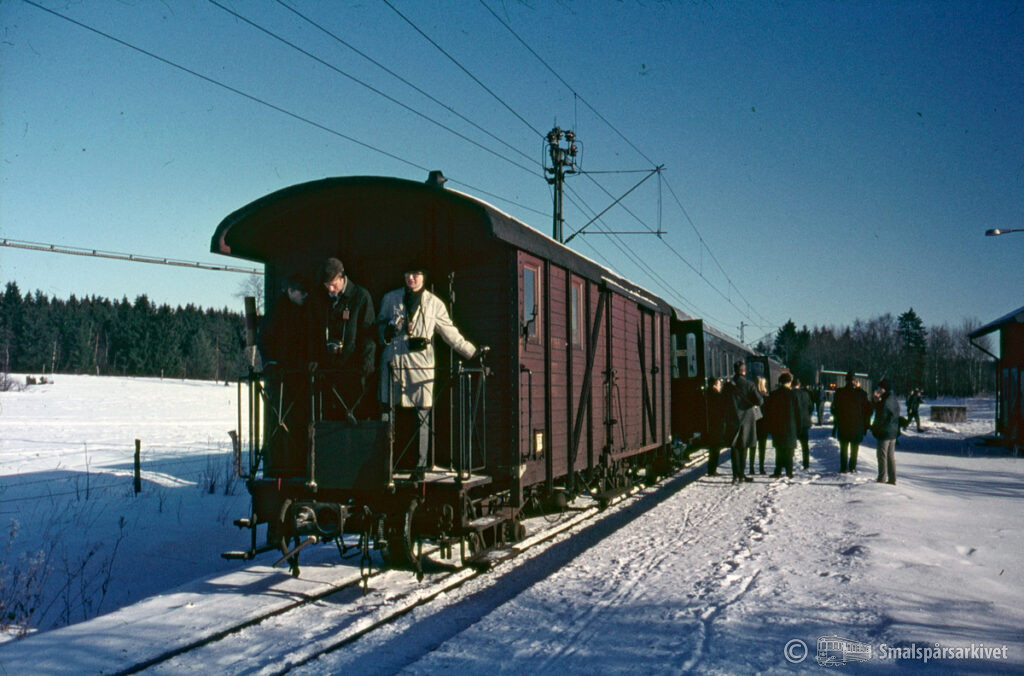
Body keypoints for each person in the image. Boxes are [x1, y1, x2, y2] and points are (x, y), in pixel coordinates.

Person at [377, 263, 483, 478]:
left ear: (424, 277)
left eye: (416, 274)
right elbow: (378, 327)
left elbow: (449, 332)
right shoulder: (390, 299)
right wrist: (387, 331)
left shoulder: (434, 303)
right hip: (393, 362)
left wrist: (472, 352)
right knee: (388, 412)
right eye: (408, 273)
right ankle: (386, 464)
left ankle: (420, 465)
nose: (411, 278)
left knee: (422, 415)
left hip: (420, 365)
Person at [256, 272, 314, 475]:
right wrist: (272, 364)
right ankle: (282, 466)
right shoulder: (277, 313)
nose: (305, 295)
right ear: (290, 291)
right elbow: (265, 341)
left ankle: (297, 465)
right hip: (281, 378)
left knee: (298, 422)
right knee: (281, 423)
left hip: (298, 377)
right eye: (301, 292)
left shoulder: (301, 311)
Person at [311, 258, 377, 421]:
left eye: (333, 285)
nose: (330, 289)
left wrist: (367, 361)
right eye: (327, 285)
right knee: (329, 416)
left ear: (342, 277)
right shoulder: (321, 298)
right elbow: (314, 331)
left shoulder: (360, 297)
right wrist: (315, 358)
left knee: (355, 415)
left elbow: (368, 332)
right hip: (329, 369)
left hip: (353, 368)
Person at [723, 360, 762, 484]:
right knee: (744, 446)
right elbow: (760, 401)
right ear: (744, 371)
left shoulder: (728, 386)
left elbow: (722, 403)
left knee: (734, 447)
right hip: (746, 419)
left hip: (732, 418)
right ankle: (741, 475)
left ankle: (735, 475)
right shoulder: (749, 384)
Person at [832, 370, 871, 473]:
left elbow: (834, 409)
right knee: (854, 449)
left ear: (846, 380)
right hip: (856, 426)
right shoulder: (861, 394)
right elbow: (867, 410)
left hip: (843, 425)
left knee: (843, 449)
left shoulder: (839, 392)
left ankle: (843, 468)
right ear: (855, 381)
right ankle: (852, 467)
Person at [766, 372, 801, 478]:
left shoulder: (774, 394)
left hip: (777, 426)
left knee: (779, 449)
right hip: (790, 427)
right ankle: (789, 472)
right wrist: (798, 428)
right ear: (789, 382)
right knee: (789, 450)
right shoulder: (793, 395)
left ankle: (777, 471)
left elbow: (769, 412)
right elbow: (798, 413)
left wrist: (770, 426)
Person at [872, 379, 900, 484]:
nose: (878, 389)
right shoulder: (893, 398)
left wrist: (874, 429)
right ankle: (892, 478)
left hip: (885, 432)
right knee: (890, 456)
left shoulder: (885, 400)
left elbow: (881, 416)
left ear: (884, 389)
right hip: (893, 431)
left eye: (880, 388)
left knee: (882, 456)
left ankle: (881, 478)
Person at [705, 377, 729, 476]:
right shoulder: (716, 396)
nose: (720, 386)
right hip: (717, 425)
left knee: (713, 448)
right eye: (719, 385)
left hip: (712, 425)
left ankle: (711, 469)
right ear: (714, 385)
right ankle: (712, 470)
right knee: (715, 448)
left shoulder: (708, 394)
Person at [750, 376, 770, 475]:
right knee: (762, 447)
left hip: (753, 423)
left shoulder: (752, 397)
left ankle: (751, 467)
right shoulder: (766, 397)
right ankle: (761, 467)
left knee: (752, 446)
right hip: (764, 424)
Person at [793, 378, 814, 470]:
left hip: (794, 422)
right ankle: (806, 463)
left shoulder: (792, 394)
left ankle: (790, 464)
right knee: (805, 445)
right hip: (805, 422)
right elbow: (811, 407)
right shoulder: (806, 394)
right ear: (799, 384)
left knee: (792, 445)